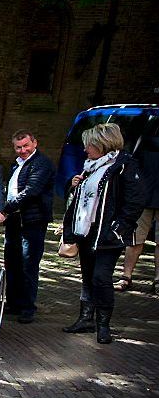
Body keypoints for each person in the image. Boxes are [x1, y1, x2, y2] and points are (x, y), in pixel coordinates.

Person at [61, 123, 144, 344]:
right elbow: (84, 199)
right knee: (88, 277)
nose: (85, 150)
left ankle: (104, 325)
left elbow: (135, 200)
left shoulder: (124, 165)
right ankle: (86, 319)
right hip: (87, 231)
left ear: (102, 144)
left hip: (108, 234)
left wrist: (119, 227)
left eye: (89, 145)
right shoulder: (90, 167)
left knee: (101, 277)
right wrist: (75, 185)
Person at [0, 129, 56, 323]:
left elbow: (31, 191)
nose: (23, 150)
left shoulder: (42, 164)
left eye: (26, 146)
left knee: (28, 264)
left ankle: (27, 306)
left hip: (32, 220)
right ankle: (14, 303)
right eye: (18, 147)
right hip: (15, 220)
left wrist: (5, 209)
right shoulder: (16, 165)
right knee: (12, 262)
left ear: (35, 143)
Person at [114, 133, 159, 293]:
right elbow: (133, 164)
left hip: (144, 196)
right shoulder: (147, 138)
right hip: (143, 199)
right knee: (134, 240)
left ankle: (157, 280)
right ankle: (126, 276)